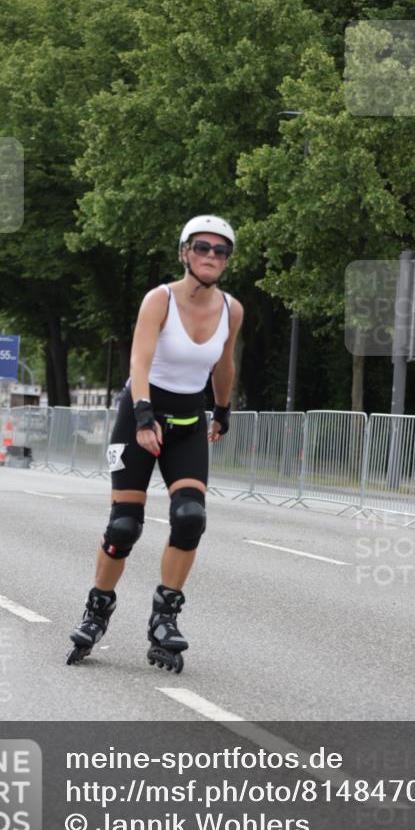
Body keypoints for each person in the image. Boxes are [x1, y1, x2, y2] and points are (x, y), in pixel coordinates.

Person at [67, 215, 244, 673]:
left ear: (226, 260)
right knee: (124, 526)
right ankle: (96, 610)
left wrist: (223, 409)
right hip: (139, 416)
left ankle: (164, 618)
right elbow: (139, 359)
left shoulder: (232, 309)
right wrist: (144, 414)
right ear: (185, 252)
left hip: (188, 420)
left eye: (219, 250)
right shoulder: (159, 299)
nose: (210, 256)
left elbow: (223, 363)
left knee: (190, 517)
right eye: (201, 247)